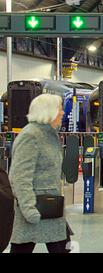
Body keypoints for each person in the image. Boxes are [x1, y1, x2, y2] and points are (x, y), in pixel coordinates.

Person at [8, 94, 71, 253]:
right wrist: (29, 209)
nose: (63, 113)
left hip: (52, 208)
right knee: (22, 248)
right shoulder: (30, 135)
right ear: (48, 111)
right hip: (35, 208)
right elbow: (19, 177)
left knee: (62, 247)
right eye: (60, 109)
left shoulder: (49, 134)